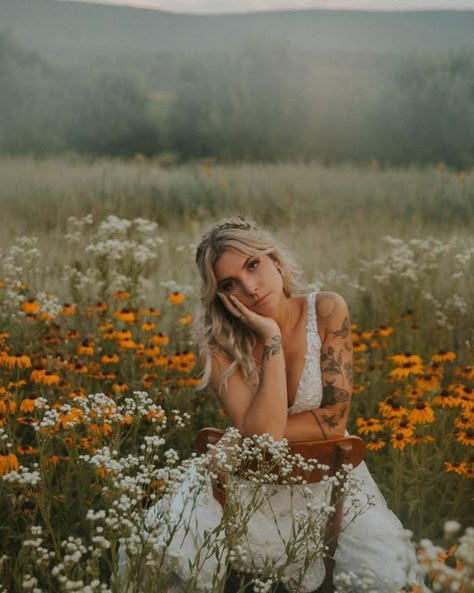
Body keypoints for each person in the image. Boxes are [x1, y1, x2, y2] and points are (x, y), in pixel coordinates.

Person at [135, 217, 417, 593]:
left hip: (327, 478)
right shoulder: (216, 343)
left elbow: (332, 421)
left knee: (382, 570)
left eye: (253, 265)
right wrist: (271, 340)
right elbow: (264, 437)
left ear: (274, 259)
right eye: (230, 284)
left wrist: (249, 435)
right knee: (177, 555)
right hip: (247, 487)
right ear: (219, 295)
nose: (250, 287)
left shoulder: (328, 310)